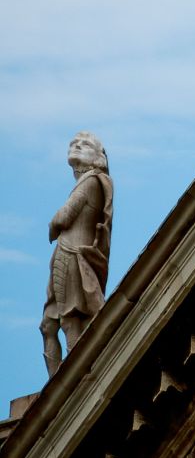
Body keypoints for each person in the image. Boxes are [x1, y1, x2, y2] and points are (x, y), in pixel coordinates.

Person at [40, 131, 113, 376]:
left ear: (99, 156)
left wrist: (53, 223)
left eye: (85, 144)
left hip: (72, 255)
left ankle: (74, 379)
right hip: (63, 254)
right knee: (48, 325)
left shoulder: (92, 180)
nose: (77, 146)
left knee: (70, 320)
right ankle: (55, 384)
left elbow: (65, 215)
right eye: (74, 143)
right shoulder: (88, 181)